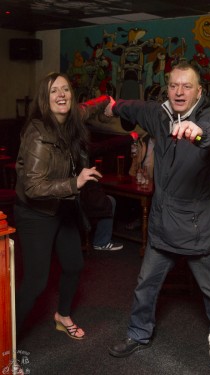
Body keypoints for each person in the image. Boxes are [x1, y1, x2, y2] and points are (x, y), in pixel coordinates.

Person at [104, 61, 210, 357]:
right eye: (174, 85)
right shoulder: (160, 114)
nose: (179, 92)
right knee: (145, 286)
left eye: (187, 86)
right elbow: (137, 108)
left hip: (199, 230)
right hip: (163, 225)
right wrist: (113, 106)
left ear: (199, 91)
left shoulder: (209, 118)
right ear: (167, 88)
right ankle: (138, 334)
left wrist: (200, 133)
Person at [14, 72, 110, 340]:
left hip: (62, 207)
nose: (61, 95)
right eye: (54, 91)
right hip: (35, 213)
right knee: (35, 283)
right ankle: (5, 345)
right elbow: (33, 187)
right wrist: (74, 183)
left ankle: (62, 314)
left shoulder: (71, 118)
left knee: (74, 264)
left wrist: (110, 101)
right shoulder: (37, 134)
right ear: (45, 99)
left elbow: (89, 108)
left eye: (65, 89)